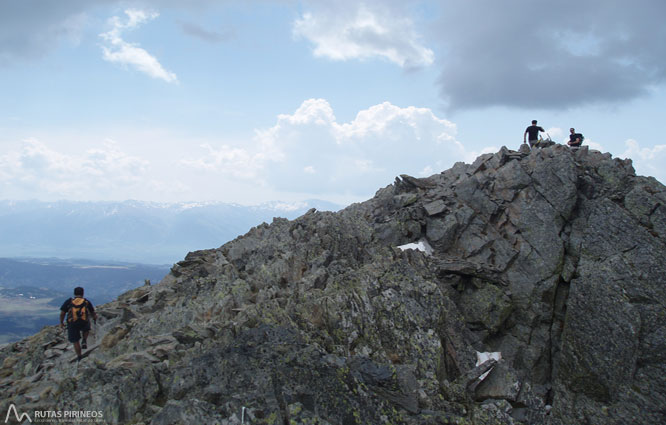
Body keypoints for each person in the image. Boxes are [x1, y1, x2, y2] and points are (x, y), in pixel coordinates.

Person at [60, 287, 97, 361]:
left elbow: (62, 313)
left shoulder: (69, 301)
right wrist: (94, 318)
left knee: (75, 341)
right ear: (83, 293)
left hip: (72, 323)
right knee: (86, 328)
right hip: (84, 321)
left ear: (74, 293)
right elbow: (92, 312)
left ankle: (79, 356)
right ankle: (84, 340)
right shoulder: (86, 301)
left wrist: (61, 322)